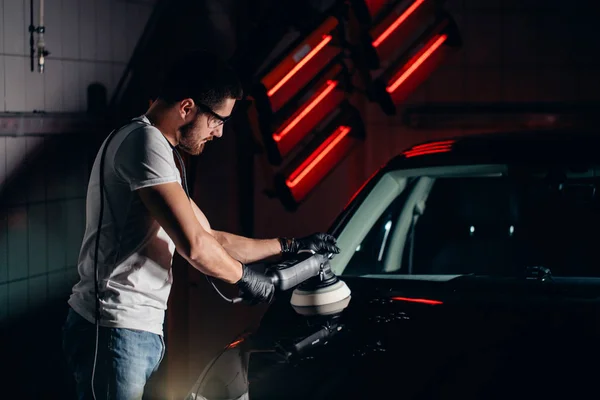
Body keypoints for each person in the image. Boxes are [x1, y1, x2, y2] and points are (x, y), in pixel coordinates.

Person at [62, 50, 340, 400]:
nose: (220, 133)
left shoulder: (157, 150)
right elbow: (195, 246)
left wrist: (289, 245)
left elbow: (212, 237)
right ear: (187, 107)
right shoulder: (143, 142)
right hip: (114, 326)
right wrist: (245, 278)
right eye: (217, 120)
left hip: (136, 328)